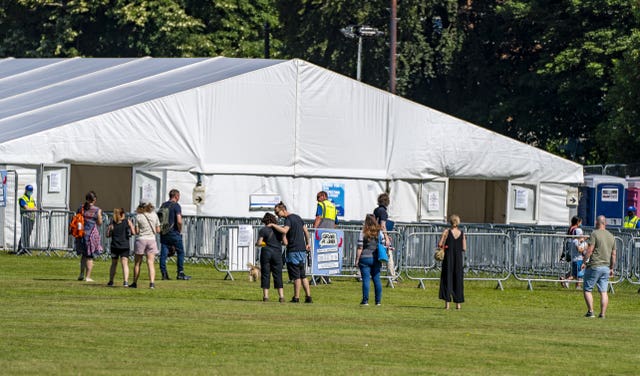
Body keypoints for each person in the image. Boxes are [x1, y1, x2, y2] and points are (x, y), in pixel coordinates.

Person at [270, 201, 313, 303]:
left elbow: (284, 230)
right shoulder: (297, 217)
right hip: (302, 249)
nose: (277, 215)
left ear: (283, 210)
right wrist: (308, 243)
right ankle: (308, 297)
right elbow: (306, 231)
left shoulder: (288, 219)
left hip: (293, 250)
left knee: (296, 276)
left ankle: (296, 297)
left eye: (277, 212)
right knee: (303, 275)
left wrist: (273, 225)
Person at [582, 215, 616, 318]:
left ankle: (591, 311)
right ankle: (602, 314)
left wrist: (584, 261)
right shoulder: (611, 236)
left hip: (595, 265)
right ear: (605, 223)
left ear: (597, 222)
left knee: (587, 289)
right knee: (604, 291)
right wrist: (612, 268)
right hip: (606, 267)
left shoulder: (594, 234)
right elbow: (614, 254)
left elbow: (590, 250)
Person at [159, 189, 191, 281]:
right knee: (180, 252)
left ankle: (164, 273)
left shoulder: (163, 205)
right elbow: (179, 221)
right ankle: (180, 272)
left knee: (164, 254)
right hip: (174, 232)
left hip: (164, 232)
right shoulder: (176, 206)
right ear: (176, 196)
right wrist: (179, 230)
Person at [255, 212, 287, 302]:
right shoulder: (279, 230)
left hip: (266, 253)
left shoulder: (263, 230)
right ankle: (281, 296)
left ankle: (266, 296)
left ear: (265, 221)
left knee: (265, 274)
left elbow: (259, 243)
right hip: (277, 253)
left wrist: (257, 244)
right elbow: (285, 242)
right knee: (278, 275)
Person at [438, 214, 467, 310]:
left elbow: (440, 244)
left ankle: (447, 305)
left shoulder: (447, 232)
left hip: (448, 258)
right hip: (458, 259)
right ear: (458, 222)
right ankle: (458, 304)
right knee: (458, 280)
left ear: (450, 222)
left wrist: (443, 239)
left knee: (447, 279)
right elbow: (464, 248)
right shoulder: (462, 233)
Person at [354, 214, 383, 306]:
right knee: (376, 279)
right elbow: (382, 245)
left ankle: (365, 301)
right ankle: (378, 301)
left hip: (365, 258)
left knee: (366, 279)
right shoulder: (379, 232)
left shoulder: (363, 232)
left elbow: (360, 247)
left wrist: (357, 259)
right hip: (376, 258)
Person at [75, 191, 103, 282]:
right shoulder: (97, 210)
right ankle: (88, 276)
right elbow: (99, 223)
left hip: (80, 234)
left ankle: (81, 274)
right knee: (90, 256)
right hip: (91, 235)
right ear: (94, 199)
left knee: (83, 255)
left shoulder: (81, 208)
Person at [132, 202, 161, 289]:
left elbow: (137, 231)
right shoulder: (154, 215)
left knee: (137, 263)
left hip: (141, 239)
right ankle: (152, 283)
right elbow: (158, 230)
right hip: (151, 239)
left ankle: (134, 282)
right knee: (150, 263)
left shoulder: (138, 216)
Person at [106, 208, 135, 287]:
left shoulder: (112, 223)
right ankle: (125, 281)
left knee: (114, 264)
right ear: (122, 214)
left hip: (114, 246)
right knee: (125, 264)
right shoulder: (127, 221)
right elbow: (133, 232)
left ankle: (111, 281)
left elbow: (107, 235)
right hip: (124, 246)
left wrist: (110, 229)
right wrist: (131, 227)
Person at [312, 191, 337, 284]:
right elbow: (336, 222)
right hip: (330, 234)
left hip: (321, 233)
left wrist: (314, 229)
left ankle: (317, 277)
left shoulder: (321, 204)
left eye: (318, 197)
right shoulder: (333, 206)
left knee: (318, 255)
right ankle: (326, 278)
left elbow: (319, 217)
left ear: (323, 196)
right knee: (327, 255)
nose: (317, 199)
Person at [560, 216, 586, 289]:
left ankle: (565, 278)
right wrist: (584, 240)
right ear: (578, 222)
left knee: (574, 269)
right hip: (576, 252)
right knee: (578, 271)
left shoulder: (570, 228)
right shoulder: (576, 230)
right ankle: (569, 281)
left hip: (570, 249)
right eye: (580, 222)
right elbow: (579, 240)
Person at [373, 193, 394, 277]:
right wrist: (386, 238)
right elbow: (382, 225)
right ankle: (392, 276)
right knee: (389, 254)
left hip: (374, 234)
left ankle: (360, 273)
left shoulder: (376, 210)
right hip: (381, 235)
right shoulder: (384, 212)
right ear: (387, 202)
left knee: (373, 253)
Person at [17, 184, 37, 255]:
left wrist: (31, 209)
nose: (30, 192)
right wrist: (32, 209)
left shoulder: (32, 199)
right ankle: (23, 248)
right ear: (25, 190)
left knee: (28, 234)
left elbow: (35, 208)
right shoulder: (22, 199)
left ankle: (23, 248)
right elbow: (26, 208)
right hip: (25, 218)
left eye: (31, 191)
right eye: (29, 191)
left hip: (31, 218)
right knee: (25, 234)